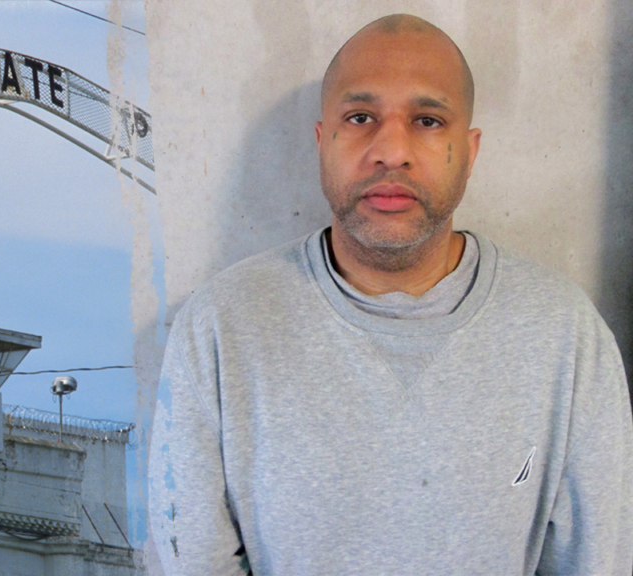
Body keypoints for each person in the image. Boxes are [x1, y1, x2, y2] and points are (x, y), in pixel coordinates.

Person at [149, 13, 633, 576]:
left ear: (470, 151)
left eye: (427, 121)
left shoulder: (566, 339)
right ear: (322, 141)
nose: (391, 151)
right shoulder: (221, 329)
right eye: (361, 117)